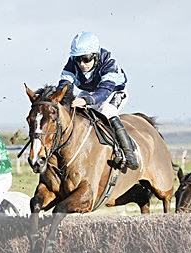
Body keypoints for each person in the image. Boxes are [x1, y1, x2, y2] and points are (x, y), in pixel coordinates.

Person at [57, 32, 138, 170]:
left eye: (86, 59)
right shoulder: (72, 63)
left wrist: (86, 100)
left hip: (114, 91)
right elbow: (64, 85)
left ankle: (129, 152)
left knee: (107, 111)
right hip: (89, 93)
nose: (82, 64)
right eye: (78, 59)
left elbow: (105, 91)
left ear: (95, 55)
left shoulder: (108, 61)